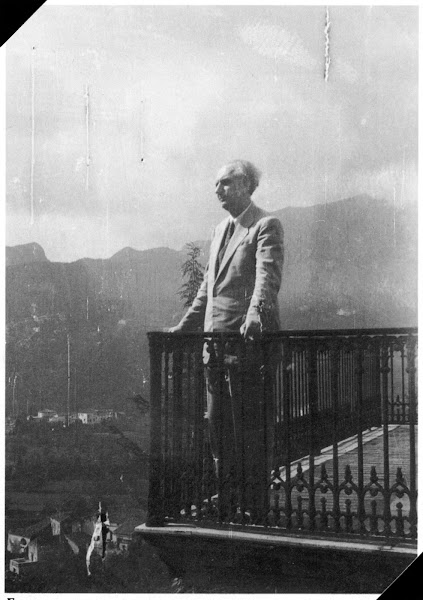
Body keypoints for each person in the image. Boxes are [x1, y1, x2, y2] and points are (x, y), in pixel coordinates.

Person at [170, 159, 284, 516]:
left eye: (226, 182)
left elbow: (267, 278)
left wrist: (254, 315)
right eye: (216, 184)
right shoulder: (220, 230)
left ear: (247, 184)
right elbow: (208, 289)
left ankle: (254, 507)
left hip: (247, 347)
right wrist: (184, 327)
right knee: (219, 429)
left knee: (249, 430)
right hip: (214, 349)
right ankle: (228, 502)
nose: (218, 189)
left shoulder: (265, 225)